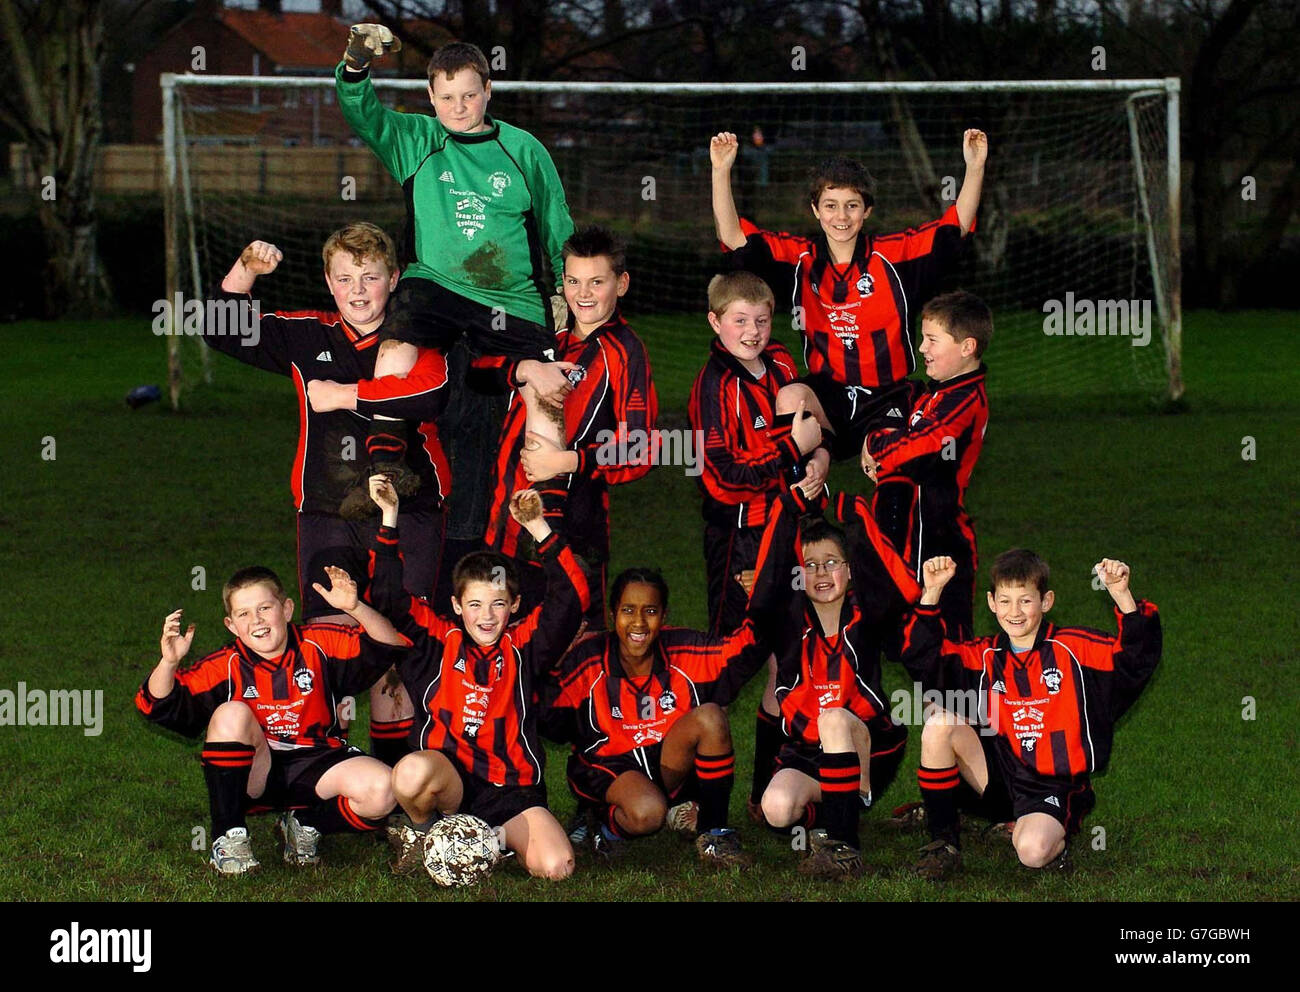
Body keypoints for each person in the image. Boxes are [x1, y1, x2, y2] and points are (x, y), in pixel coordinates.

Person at [203, 224, 447, 770]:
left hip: (409, 511)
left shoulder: (419, 336)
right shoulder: (306, 333)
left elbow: (428, 394)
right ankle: (317, 785)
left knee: (399, 647)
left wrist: (342, 396)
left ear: (395, 278)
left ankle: (402, 790)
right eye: (344, 279)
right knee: (324, 651)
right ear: (328, 283)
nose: (358, 291)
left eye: (370, 277)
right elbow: (217, 329)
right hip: (326, 513)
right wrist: (246, 269)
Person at [334, 28, 576, 546]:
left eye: (469, 94)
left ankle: (549, 516)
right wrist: (356, 59)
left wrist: (563, 290)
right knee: (394, 349)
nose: (459, 106)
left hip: (511, 297)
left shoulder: (523, 149)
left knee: (548, 391)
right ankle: (384, 472)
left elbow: (557, 223)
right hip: (436, 287)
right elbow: (362, 113)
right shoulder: (417, 140)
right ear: (430, 97)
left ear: (488, 90)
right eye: (446, 97)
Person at [709, 128, 986, 471]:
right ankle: (808, 515)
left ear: (866, 210)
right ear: (815, 209)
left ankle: (889, 510)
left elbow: (953, 229)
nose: (841, 217)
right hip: (830, 398)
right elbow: (734, 238)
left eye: (852, 206)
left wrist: (974, 168)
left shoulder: (895, 257)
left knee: (890, 473)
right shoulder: (800, 261)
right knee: (791, 399)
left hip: (889, 395)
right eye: (831, 206)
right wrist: (720, 172)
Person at [364, 477, 590, 880]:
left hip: (511, 792)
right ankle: (423, 834)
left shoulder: (525, 646)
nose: (486, 617)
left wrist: (539, 527)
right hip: (450, 784)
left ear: (515, 605)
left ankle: (485, 840)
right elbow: (388, 598)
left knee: (557, 866)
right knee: (411, 773)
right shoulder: (437, 641)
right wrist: (389, 518)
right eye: (475, 604)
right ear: (456, 605)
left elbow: (571, 599)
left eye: (498, 604)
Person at [898, 550, 1161, 878]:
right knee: (939, 724)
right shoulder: (985, 655)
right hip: (999, 775)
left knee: (1032, 853)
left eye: (1025, 601)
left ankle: (1048, 832)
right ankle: (943, 844)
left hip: (1051, 785)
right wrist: (932, 592)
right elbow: (924, 659)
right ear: (992, 603)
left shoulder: (1073, 648)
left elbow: (1134, 659)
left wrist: (1122, 594)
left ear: (1046, 601)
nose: (1014, 612)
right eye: (1005, 601)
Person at [135, 566, 409, 874]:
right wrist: (169, 663)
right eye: (244, 614)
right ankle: (228, 835)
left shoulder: (319, 643)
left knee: (385, 789)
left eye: (265, 608)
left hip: (318, 763)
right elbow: (155, 705)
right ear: (231, 625)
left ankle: (306, 824)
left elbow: (389, 645)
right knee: (231, 713)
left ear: (287, 608)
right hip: (257, 771)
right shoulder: (225, 664)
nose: (257, 621)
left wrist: (354, 608)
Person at [687, 270, 826, 816]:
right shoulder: (711, 386)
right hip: (741, 539)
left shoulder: (785, 366)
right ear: (715, 322)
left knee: (785, 658)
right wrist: (794, 448)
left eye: (761, 320)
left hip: (794, 531)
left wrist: (815, 460)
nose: (752, 331)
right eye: (739, 320)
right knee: (731, 658)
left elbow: (821, 428)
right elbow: (723, 474)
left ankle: (762, 792)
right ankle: (691, 791)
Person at [477, 225, 659, 626]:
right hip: (504, 517)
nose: (584, 293)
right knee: (506, 647)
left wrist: (569, 461)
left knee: (574, 651)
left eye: (597, 282)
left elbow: (642, 448)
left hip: (574, 528)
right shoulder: (545, 330)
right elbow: (476, 371)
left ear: (622, 283)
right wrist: (523, 368)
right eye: (574, 281)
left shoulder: (625, 353)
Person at [543, 566, 773, 866]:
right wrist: (551, 664)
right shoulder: (587, 658)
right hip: (609, 765)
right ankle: (600, 821)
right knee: (648, 814)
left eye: (650, 611)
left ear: (663, 616)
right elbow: (549, 723)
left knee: (711, 717)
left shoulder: (684, 649)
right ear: (614, 614)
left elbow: (745, 651)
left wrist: (759, 597)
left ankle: (715, 833)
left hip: (665, 759)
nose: (638, 622)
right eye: (628, 610)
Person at [750, 485, 922, 878]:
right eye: (810, 565)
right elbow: (762, 591)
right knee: (776, 809)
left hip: (866, 743)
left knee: (832, 718)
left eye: (832, 562)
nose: (821, 573)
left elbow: (904, 589)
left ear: (850, 569)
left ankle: (845, 847)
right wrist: (788, 508)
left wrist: (859, 517)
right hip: (808, 749)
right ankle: (832, 815)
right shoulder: (789, 621)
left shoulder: (869, 614)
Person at [861, 290, 992, 639]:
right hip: (902, 529)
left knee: (945, 651)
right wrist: (878, 436)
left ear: (967, 347)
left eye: (932, 340)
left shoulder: (965, 401)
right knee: (877, 635)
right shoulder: (929, 394)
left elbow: (917, 449)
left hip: (940, 537)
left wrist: (875, 445)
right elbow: (886, 411)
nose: (922, 348)